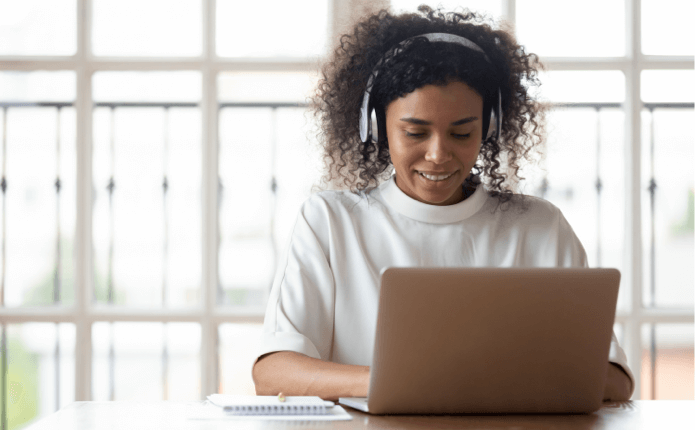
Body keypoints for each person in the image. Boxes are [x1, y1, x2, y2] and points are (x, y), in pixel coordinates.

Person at [252, 6, 634, 402]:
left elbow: (614, 381)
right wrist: (403, 381)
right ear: (376, 126)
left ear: (490, 128)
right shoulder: (330, 221)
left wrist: (461, 382)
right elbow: (274, 373)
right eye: (415, 132)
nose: (438, 154)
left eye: (462, 133)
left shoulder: (539, 227)